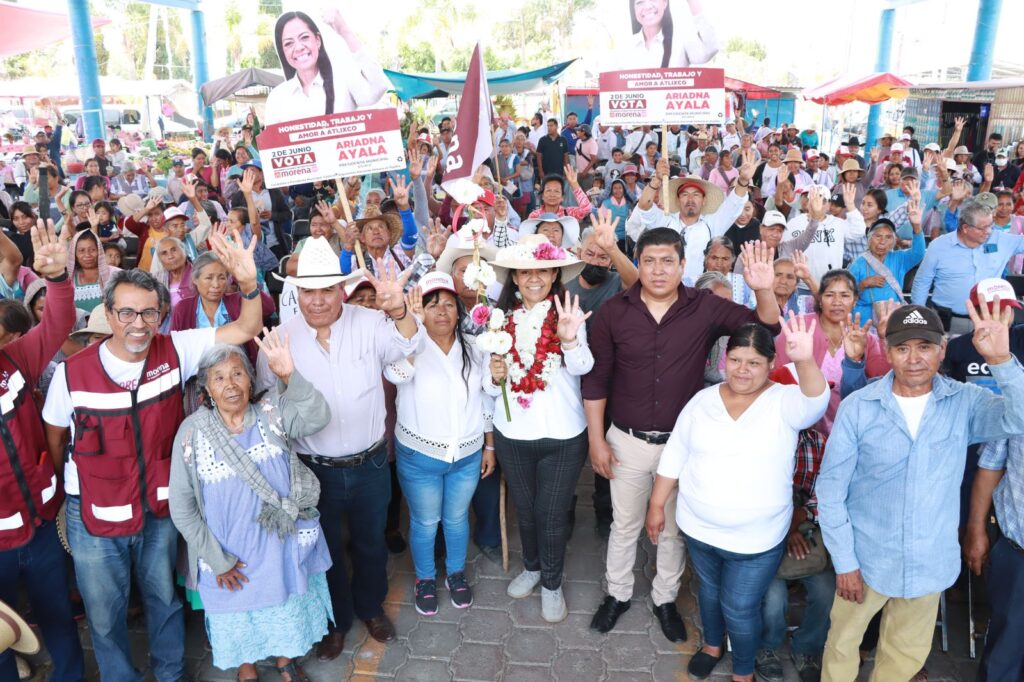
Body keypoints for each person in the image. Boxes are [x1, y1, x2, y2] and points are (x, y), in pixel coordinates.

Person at [41, 231, 264, 682]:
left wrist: (250, 284)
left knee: (164, 600)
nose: (138, 323)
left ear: (162, 314)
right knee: (104, 615)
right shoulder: (72, 374)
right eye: (126, 312)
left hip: (159, 510)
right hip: (94, 519)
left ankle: (171, 673)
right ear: (109, 314)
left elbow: (244, 328)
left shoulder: (176, 349)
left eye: (148, 312)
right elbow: (54, 438)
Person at [583, 231, 782, 642]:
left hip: (684, 445)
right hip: (627, 440)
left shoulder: (704, 307)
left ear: (683, 264)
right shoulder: (614, 312)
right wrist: (596, 440)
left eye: (667, 261)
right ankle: (617, 594)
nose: (658, 270)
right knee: (625, 524)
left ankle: (665, 598)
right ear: (638, 263)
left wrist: (764, 289)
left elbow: (766, 328)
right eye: (650, 261)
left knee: (673, 529)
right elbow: (596, 378)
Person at [817, 301, 1024, 680]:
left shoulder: (965, 402)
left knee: (904, 656)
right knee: (843, 646)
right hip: (866, 560)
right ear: (889, 351)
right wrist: (845, 561)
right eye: (902, 347)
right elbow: (830, 491)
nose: (914, 358)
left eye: (925, 347)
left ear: (942, 350)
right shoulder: (859, 408)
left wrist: (1002, 360)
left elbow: (1019, 416)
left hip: (929, 562)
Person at [258, 236, 423, 660]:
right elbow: (268, 411)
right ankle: (336, 620)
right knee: (322, 550)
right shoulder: (279, 340)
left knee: (370, 542)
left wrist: (399, 309)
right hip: (314, 470)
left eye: (326, 289)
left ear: (340, 290)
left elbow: (408, 345)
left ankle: (370, 608)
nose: (317, 300)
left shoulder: (369, 323)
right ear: (296, 292)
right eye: (308, 291)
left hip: (369, 463)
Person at [646, 316, 828, 682]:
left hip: (756, 539)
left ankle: (743, 672)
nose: (743, 370)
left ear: (770, 365)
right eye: (736, 360)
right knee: (710, 594)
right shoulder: (702, 401)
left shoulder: (785, 402)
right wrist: (655, 505)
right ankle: (713, 645)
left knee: (739, 606)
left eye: (754, 362)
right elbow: (676, 454)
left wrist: (806, 360)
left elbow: (816, 402)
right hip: (699, 529)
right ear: (723, 360)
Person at [169, 335, 332, 680]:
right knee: (237, 614)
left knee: (285, 602)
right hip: (228, 554)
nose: (230, 384)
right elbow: (182, 507)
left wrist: (290, 376)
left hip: (279, 545)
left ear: (251, 380)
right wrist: (216, 558)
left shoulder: (271, 413)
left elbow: (318, 417)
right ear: (207, 389)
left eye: (237, 374)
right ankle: (247, 668)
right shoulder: (191, 433)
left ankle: (285, 660)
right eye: (219, 377)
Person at [485, 234, 592, 623]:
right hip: (513, 435)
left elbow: (583, 368)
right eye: (526, 272)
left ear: (554, 275)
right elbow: (487, 387)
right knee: (527, 511)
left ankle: (551, 583)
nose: (534, 278)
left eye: (543, 270)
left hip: (563, 435)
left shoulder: (568, 314)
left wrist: (568, 341)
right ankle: (531, 566)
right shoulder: (498, 322)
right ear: (514, 278)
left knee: (551, 513)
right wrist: (493, 374)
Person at [0, 220, 84, 682]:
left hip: (42, 528)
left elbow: (58, 322)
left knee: (59, 620)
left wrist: (55, 279)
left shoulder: (16, 359)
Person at [383, 272, 495, 616]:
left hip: (466, 453)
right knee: (426, 521)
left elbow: (487, 396)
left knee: (458, 518)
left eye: (448, 304)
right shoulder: (407, 343)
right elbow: (394, 375)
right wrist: (414, 335)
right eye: (432, 305)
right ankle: (425, 578)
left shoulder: (474, 348)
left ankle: (457, 574)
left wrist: (489, 446)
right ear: (421, 311)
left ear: (459, 311)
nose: (442, 312)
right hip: (421, 456)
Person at [775, 269, 890, 436]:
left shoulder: (864, 337)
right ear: (820, 300)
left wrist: (885, 339)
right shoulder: (798, 328)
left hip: (849, 430)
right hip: (802, 429)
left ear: (855, 301)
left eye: (844, 295)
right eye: (830, 295)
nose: (837, 302)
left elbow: (882, 378)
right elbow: (779, 377)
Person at [627, 154, 756, 284]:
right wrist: (656, 180)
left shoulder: (712, 224)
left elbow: (734, 203)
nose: (690, 200)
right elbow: (644, 206)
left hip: (699, 293)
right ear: (678, 200)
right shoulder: (665, 222)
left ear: (704, 200)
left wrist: (743, 180)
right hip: (667, 290)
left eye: (696, 195)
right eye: (685, 194)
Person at [911, 201, 1024, 335]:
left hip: (988, 323)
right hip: (946, 323)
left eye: (990, 225)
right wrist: (918, 318)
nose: (988, 231)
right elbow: (922, 281)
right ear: (965, 228)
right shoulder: (938, 246)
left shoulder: (1002, 240)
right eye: (982, 228)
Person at [265, 9, 388, 124]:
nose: (298, 47)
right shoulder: (277, 98)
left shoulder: (343, 81)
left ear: (317, 40)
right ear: (282, 52)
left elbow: (378, 88)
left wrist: (345, 31)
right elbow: (272, 145)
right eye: (288, 43)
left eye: (304, 37)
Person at [848, 208, 925, 322]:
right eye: (878, 236)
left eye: (888, 237)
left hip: (892, 316)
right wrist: (863, 284)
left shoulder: (899, 258)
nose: (882, 241)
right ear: (869, 239)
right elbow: (847, 294)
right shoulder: (858, 264)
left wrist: (916, 226)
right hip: (864, 318)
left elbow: (918, 253)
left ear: (893, 242)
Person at [622, 0, 720, 68]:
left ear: (665, 3)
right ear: (633, 9)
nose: (647, 6)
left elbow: (710, 49)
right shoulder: (625, 47)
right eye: (640, 2)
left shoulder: (680, 39)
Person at [67, 229, 120, 314]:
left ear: (99, 251)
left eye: (92, 250)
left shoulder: (116, 274)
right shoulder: (67, 279)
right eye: (81, 250)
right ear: (74, 254)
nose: (87, 255)